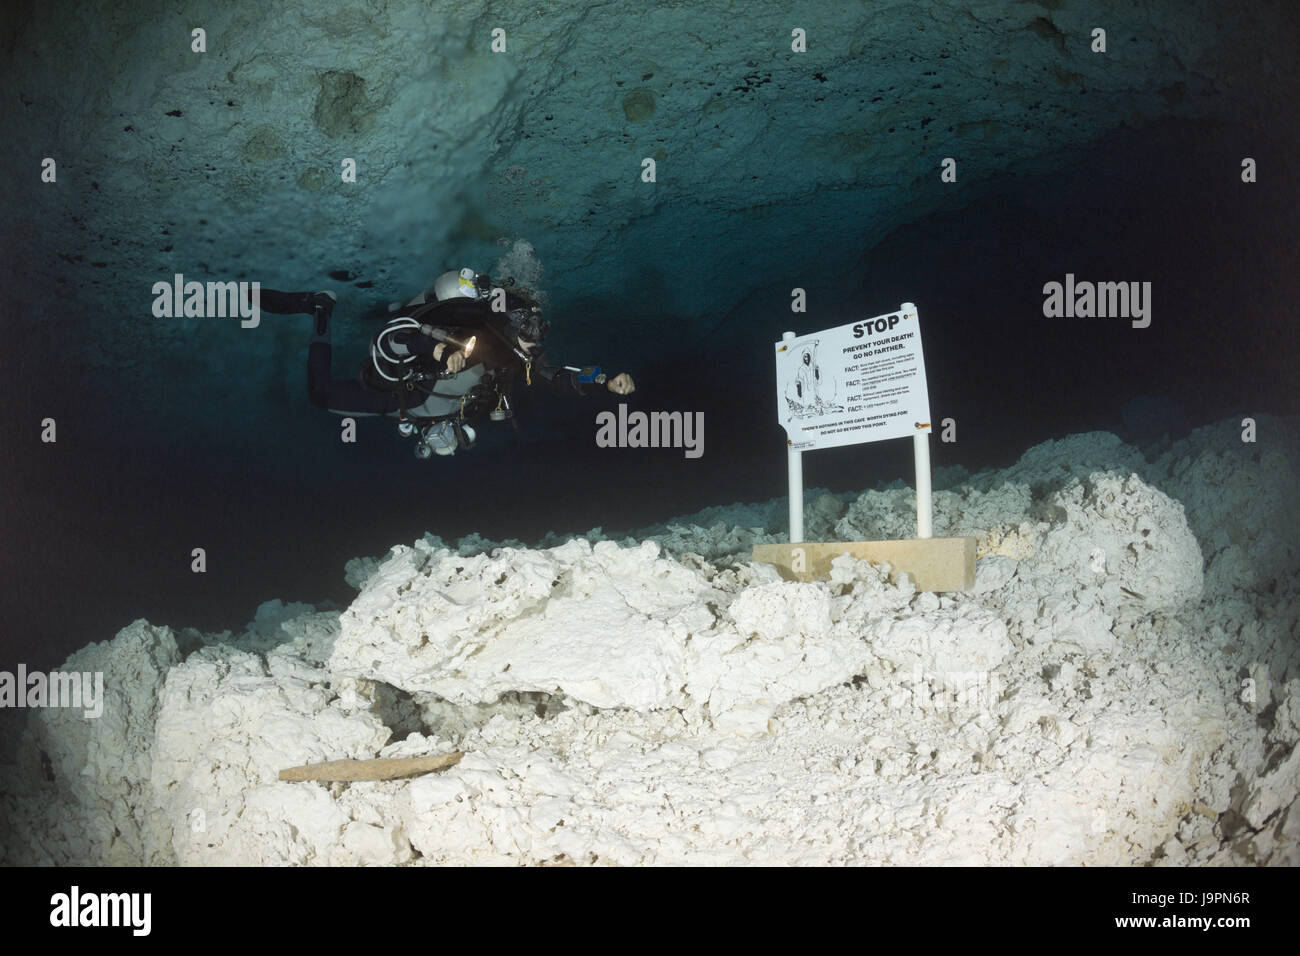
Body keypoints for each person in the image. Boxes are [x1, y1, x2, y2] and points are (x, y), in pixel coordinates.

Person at [259, 270, 636, 457]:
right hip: (400, 396)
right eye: (530, 326)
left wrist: (602, 379)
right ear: (512, 323)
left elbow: (557, 376)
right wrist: (437, 351)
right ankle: (320, 310)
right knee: (319, 395)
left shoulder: (519, 357)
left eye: (542, 328)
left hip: (431, 415)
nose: (536, 337)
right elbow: (389, 340)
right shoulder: (472, 335)